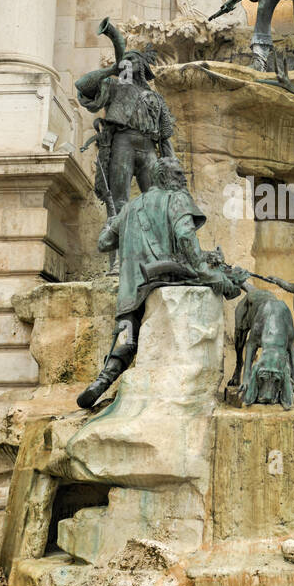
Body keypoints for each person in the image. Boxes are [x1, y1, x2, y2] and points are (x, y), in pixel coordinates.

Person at [77, 157, 245, 409]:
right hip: (169, 274)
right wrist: (208, 274)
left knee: (127, 334)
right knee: (226, 278)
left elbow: (104, 243)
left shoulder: (131, 207)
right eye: (178, 174)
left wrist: (113, 223)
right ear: (165, 178)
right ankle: (227, 282)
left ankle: (105, 376)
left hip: (134, 288)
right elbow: (186, 237)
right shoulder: (176, 198)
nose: (183, 178)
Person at [76, 19, 176, 219]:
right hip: (123, 143)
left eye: (133, 60)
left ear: (141, 67)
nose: (128, 63)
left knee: (155, 201)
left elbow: (165, 136)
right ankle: (123, 246)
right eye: (126, 60)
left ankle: (154, 247)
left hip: (148, 148)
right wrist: (112, 70)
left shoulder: (155, 97)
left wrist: (172, 163)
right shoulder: (115, 87)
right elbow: (82, 85)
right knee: (119, 200)